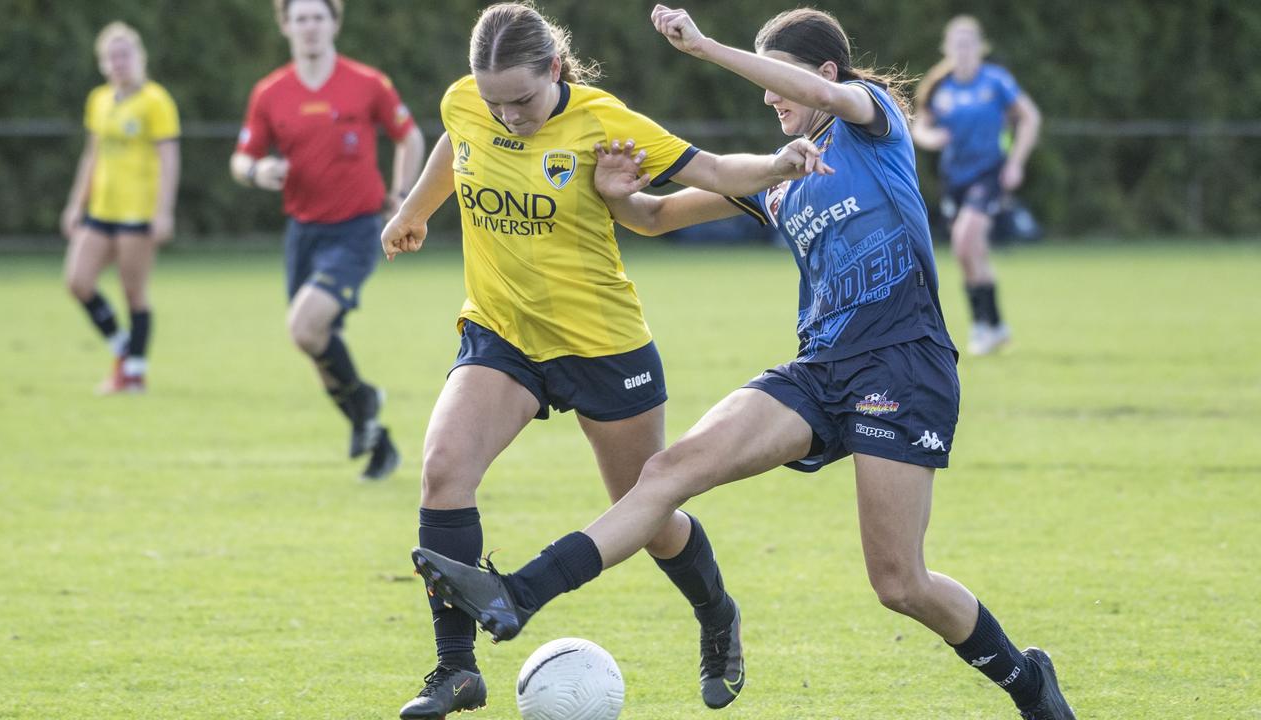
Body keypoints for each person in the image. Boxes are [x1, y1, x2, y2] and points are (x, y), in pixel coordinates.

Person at [411, 6, 1075, 720]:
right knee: (667, 473)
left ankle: (1026, 681)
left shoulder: (871, 125)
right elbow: (658, 219)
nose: (768, 96)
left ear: (823, 73)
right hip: (819, 371)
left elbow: (826, 99)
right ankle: (517, 592)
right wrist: (616, 196)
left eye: (779, 79)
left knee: (900, 583)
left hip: (901, 368)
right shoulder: (782, 176)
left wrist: (703, 47)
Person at [380, 3, 830, 717]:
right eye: (494, 100)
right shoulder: (470, 103)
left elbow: (710, 169)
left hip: (603, 345)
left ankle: (716, 615)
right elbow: (453, 143)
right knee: (443, 471)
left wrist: (777, 164)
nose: (508, 116)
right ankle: (455, 670)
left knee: (646, 514)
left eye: (522, 100)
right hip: (502, 335)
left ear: (555, 70)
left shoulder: (601, 121)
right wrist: (415, 210)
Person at [230, 0, 425, 480]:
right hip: (303, 232)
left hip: (357, 227)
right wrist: (258, 170)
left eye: (318, 17)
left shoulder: (367, 83)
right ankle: (376, 436)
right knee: (318, 342)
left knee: (304, 327)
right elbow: (241, 158)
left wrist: (401, 199)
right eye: (300, 18)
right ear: (285, 26)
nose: (310, 27)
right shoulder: (269, 92)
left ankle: (364, 404)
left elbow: (411, 137)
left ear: (334, 23)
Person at [911, 15, 1041, 356]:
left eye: (969, 43)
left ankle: (984, 327)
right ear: (947, 48)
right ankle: (992, 325)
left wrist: (1015, 163)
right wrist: (931, 137)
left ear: (980, 48)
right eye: (957, 43)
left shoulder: (995, 82)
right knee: (970, 254)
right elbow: (919, 127)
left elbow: (1029, 117)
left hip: (988, 175)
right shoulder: (941, 87)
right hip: (955, 179)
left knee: (965, 241)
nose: (964, 50)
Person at [61, 21, 180, 394]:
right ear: (102, 63)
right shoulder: (98, 100)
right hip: (101, 210)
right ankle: (122, 348)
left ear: (140, 57)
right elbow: (91, 155)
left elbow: (169, 159)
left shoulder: (156, 101)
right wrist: (75, 203)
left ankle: (135, 374)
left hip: (137, 212)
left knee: (134, 294)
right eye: (111, 57)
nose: (119, 63)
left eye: (125, 54)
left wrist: (163, 211)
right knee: (78, 282)